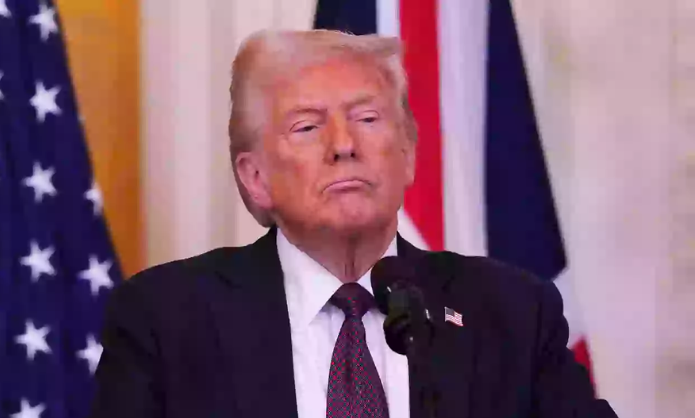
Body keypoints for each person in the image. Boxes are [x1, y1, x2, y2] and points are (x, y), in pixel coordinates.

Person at [89, 29, 618, 418]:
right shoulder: (168, 320)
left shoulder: (510, 314)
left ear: (407, 155)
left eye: (367, 119)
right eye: (307, 127)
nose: (344, 145)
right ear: (255, 178)